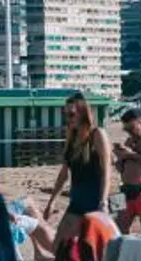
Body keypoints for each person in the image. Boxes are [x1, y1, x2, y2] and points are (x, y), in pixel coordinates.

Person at [46, 92, 112, 248]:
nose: (68, 118)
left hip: (95, 201)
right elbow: (63, 174)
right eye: (66, 114)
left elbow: (107, 171)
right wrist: (52, 201)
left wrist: (103, 201)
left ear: (82, 113)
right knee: (59, 246)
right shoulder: (72, 137)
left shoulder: (97, 134)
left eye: (71, 114)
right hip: (77, 202)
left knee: (94, 250)